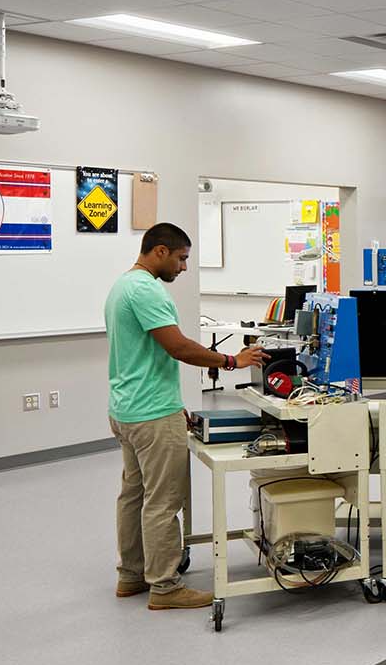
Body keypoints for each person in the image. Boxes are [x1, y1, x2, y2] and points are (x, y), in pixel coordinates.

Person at [105, 222, 266, 610]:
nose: (184, 267)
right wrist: (232, 360)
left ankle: (131, 575)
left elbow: (145, 354)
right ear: (159, 251)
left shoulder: (122, 286)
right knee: (163, 501)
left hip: (127, 409)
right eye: (181, 258)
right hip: (152, 414)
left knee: (134, 495)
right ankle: (165, 587)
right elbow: (177, 347)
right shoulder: (146, 290)